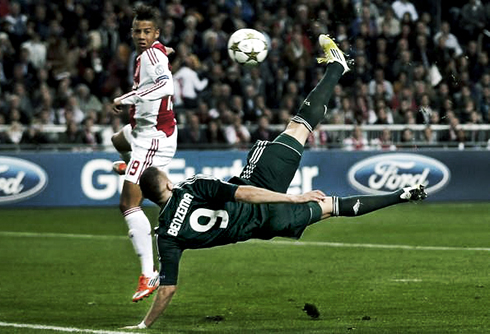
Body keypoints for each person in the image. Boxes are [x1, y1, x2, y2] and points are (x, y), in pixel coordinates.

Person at [123, 35, 427, 329]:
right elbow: (243, 193)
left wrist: (143, 324)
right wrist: (292, 197)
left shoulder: (166, 236)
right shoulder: (193, 187)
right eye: (165, 175)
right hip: (261, 185)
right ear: (166, 184)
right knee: (299, 126)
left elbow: (168, 290)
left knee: (331, 207)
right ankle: (337, 66)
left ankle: (402, 195)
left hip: (266, 224)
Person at [110, 4, 177, 303]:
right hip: (141, 133)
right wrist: (166, 50)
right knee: (116, 139)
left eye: (147, 31)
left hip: (152, 138)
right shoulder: (155, 51)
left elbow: (165, 85)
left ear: (156, 32)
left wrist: (127, 98)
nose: (141, 35)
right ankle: (131, 166)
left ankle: (149, 273)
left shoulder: (151, 54)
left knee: (128, 202)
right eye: (137, 30)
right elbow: (161, 58)